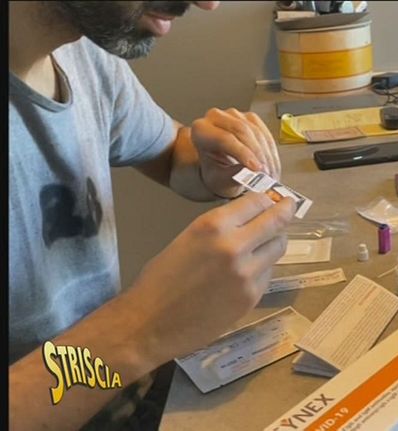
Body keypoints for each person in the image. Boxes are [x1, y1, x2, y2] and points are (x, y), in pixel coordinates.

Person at [9, 2, 296, 430]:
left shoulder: (84, 52)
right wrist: (144, 325)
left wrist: (211, 166)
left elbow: (171, 152)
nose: (208, 3)